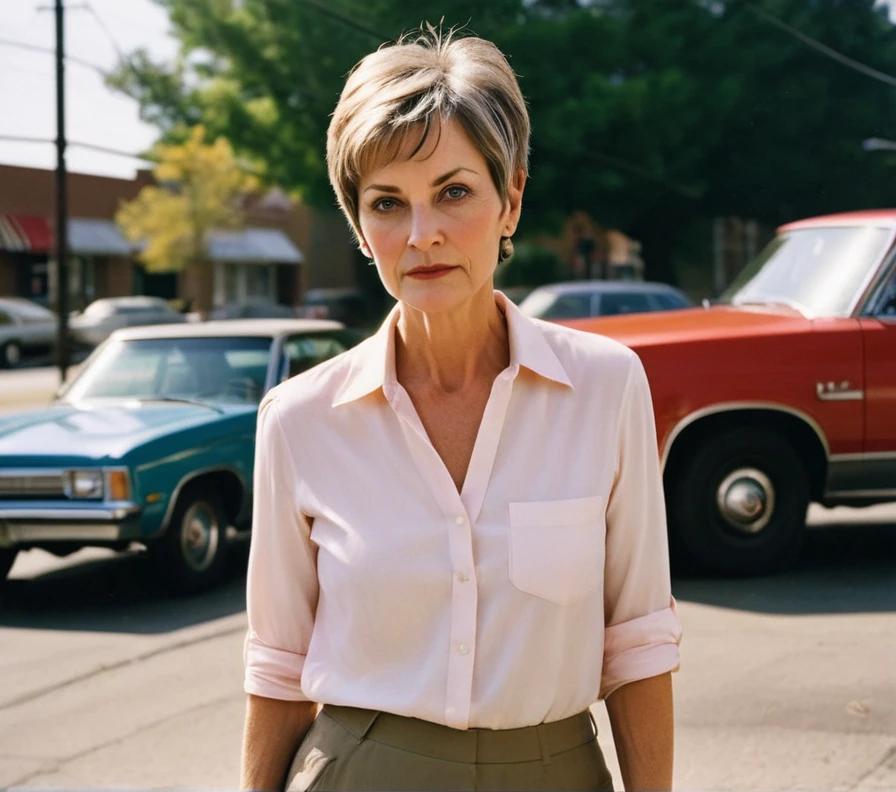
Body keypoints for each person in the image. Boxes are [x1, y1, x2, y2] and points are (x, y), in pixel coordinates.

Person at [240, 27, 683, 792]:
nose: (422, 235)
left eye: (453, 191)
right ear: (359, 226)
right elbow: (277, 667)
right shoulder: (298, 419)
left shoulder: (608, 388)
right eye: (387, 203)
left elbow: (637, 643)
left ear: (510, 198)